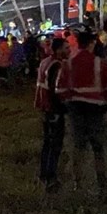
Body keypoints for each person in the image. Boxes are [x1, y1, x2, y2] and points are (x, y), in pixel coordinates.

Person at [56, 31, 107, 198]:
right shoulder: (101, 64)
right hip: (96, 111)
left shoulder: (68, 64)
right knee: (99, 149)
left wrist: (69, 103)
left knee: (78, 148)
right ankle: (103, 186)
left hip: (76, 111)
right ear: (92, 43)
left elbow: (60, 90)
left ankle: (78, 185)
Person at [35, 38, 69, 193]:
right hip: (53, 109)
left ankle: (43, 175)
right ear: (58, 50)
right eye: (66, 47)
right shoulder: (57, 65)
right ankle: (51, 178)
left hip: (44, 108)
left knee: (47, 143)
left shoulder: (45, 62)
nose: (69, 50)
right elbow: (56, 90)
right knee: (55, 145)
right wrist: (62, 109)